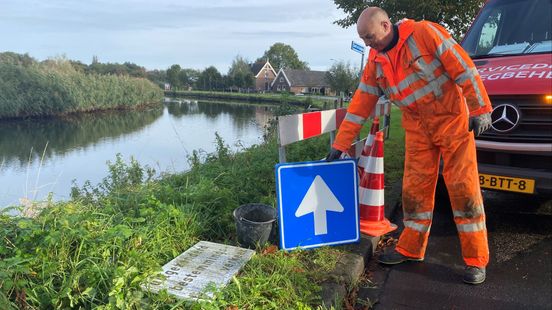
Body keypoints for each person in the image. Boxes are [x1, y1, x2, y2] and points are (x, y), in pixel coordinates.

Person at [326, 7, 492, 284]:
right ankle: (411, 248)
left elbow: (463, 68)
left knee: (464, 189)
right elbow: (359, 106)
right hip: (417, 128)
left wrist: (480, 108)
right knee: (414, 190)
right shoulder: (376, 61)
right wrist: (341, 144)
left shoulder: (425, 33)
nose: (368, 44)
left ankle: (476, 261)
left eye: (370, 38)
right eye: (364, 40)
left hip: (452, 122)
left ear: (386, 25)